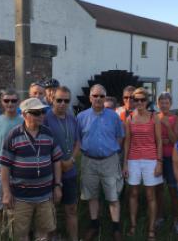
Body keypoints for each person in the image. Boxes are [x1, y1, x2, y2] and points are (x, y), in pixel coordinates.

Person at [0, 98, 63, 241]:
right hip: (21, 197)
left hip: (45, 196)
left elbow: (57, 160)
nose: (41, 115)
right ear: (24, 114)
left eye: (43, 111)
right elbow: (5, 166)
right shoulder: (13, 135)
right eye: (36, 112)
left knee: (45, 234)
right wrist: (6, 192)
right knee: (21, 235)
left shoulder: (48, 133)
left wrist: (58, 185)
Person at [77, 84, 124, 241]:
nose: (98, 99)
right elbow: (78, 139)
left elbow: (120, 136)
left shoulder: (113, 117)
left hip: (109, 160)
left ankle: (116, 229)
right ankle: (94, 225)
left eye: (101, 96)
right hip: (89, 161)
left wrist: (111, 150)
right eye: (95, 96)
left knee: (113, 196)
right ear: (90, 98)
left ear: (105, 98)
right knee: (92, 196)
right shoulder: (81, 117)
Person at [122, 87, 163, 241]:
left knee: (150, 195)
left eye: (142, 100)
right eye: (136, 100)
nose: (139, 102)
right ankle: (133, 225)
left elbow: (159, 141)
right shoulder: (129, 118)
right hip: (133, 160)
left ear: (147, 101)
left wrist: (159, 162)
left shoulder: (154, 117)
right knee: (133, 193)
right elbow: (127, 142)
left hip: (151, 160)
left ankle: (151, 229)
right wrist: (125, 163)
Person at [44, 86, 80, 241]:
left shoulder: (72, 119)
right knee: (50, 209)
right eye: (59, 100)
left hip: (70, 170)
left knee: (71, 208)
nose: (62, 104)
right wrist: (59, 162)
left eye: (66, 101)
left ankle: (73, 238)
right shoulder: (45, 118)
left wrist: (71, 159)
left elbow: (78, 142)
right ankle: (52, 237)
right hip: (51, 172)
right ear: (53, 99)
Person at [0, 89, 23, 237]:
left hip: (18, 171)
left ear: (18, 102)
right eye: (7, 100)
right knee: (0, 207)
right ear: (2, 102)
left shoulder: (23, 120)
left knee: (16, 206)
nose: (10, 104)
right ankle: (2, 233)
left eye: (13, 100)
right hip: (0, 171)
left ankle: (15, 234)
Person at [155, 92, 178, 229]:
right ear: (158, 104)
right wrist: (162, 140)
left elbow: (176, 140)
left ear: (171, 104)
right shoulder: (154, 117)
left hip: (171, 158)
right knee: (158, 189)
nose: (164, 105)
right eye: (161, 102)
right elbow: (153, 139)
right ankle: (159, 216)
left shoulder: (175, 118)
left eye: (166, 103)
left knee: (172, 189)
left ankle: (176, 218)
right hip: (157, 157)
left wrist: (167, 125)